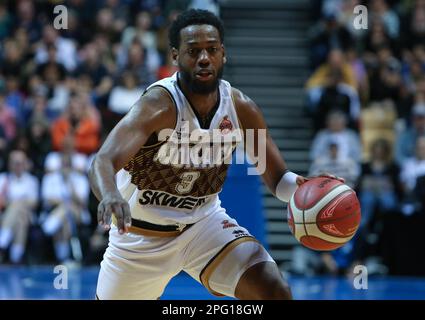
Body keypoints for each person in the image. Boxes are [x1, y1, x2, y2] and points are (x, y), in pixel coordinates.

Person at [89, 9, 340, 300]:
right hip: (141, 237)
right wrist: (109, 195)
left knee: (273, 290)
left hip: (203, 228)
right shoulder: (158, 105)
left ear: (223, 54)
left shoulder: (242, 110)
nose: (204, 58)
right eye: (193, 51)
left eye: (211, 49)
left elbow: (277, 180)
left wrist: (305, 187)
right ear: (175, 56)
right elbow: (103, 161)